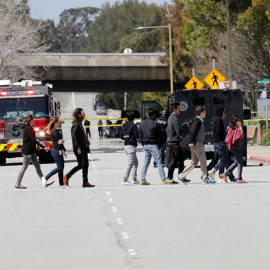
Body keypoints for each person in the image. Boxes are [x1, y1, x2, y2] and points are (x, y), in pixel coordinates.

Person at [176, 106, 213, 185]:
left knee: (194, 161)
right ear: (201, 113)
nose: (206, 113)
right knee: (203, 161)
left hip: (195, 143)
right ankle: (205, 179)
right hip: (197, 144)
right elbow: (193, 132)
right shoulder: (198, 121)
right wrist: (192, 142)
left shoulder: (198, 120)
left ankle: (180, 176)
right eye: (205, 112)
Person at [15, 114, 53, 189]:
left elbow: (32, 140)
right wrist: (44, 147)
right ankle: (17, 183)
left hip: (32, 151)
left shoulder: (29, 128)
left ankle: (44, 181)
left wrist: (37, 147)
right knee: (24, 167)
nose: (34, 120)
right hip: (27, 151)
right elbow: (34, 140)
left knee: (37, 166)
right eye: (33, 119)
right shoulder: (28, 128)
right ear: (31, 120)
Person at [139, 108, 173, 185]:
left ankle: (142, 179)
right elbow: (160, 135)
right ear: (153, 115)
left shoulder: (142, 123)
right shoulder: (155, 123)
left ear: (147, 114)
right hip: (153, 144)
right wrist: (159, 144)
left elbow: (140, 134)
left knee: (146, 162)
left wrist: (143, 143)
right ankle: (163, 179)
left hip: (146, 144)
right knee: (159, 162)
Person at [63, 108, 95, 188]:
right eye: (83, 114)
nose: (84, 116)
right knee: (81, 165)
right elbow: (75, 138)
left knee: (86, 165)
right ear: (79, 115)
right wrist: (78, 148)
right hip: (79, 148)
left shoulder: (80, 124)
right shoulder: (76, 125)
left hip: (84, 147)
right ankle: (67, 176)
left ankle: (85, 182)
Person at [220, 115, 247, 184]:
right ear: (236, 121)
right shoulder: (236, 128)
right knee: (240, 162)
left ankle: (225, 174)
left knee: (236, 162)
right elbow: (241, 135)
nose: (240, 121)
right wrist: (240, 126)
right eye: (238, 120)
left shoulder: (230, 128)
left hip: (232, 147)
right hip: (236, 147)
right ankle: (239, 178)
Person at [44, 117, 69, 189]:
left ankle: (61, 184)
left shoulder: (56, 130)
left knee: (61, 167)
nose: (60, 122)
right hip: (56, 150)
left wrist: (64, 150)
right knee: (59, 167)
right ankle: (45, 178)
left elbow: (60, 142)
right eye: (59, 121)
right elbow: (59, 142)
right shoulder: (55, 131)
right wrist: (62, 141)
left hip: (58, 150)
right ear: (55, 122)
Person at [166, 102, 187, 184]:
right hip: (174, 143)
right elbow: (179, 131)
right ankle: (170, 177)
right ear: (174, 110)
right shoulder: (174, 118)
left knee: (181, 160)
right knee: (174, 161)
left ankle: (181, 176)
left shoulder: (171, 117)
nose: (180, 110)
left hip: (173, 142)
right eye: (178, 109)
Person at [208, 105, 227, 183]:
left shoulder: (215, 119)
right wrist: (226, 132)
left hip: (216, 142)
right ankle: (213, 171)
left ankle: (221, 176)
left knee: (220, 159)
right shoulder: (219, 120)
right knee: (223, 160)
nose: (225, 114)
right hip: (219, 142)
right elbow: (220, 131)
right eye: (224, 112)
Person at [120, 112, 140, 185]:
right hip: (131, 145)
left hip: (126, 145)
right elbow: (136, 135)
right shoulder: (134, 125)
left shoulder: (123, 125)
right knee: (130, 164)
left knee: (135, 163)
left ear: (127, 118)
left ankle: (134, 178)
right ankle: (125, 179)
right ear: (133, 118)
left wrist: (126, 137)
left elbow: (121, 136)